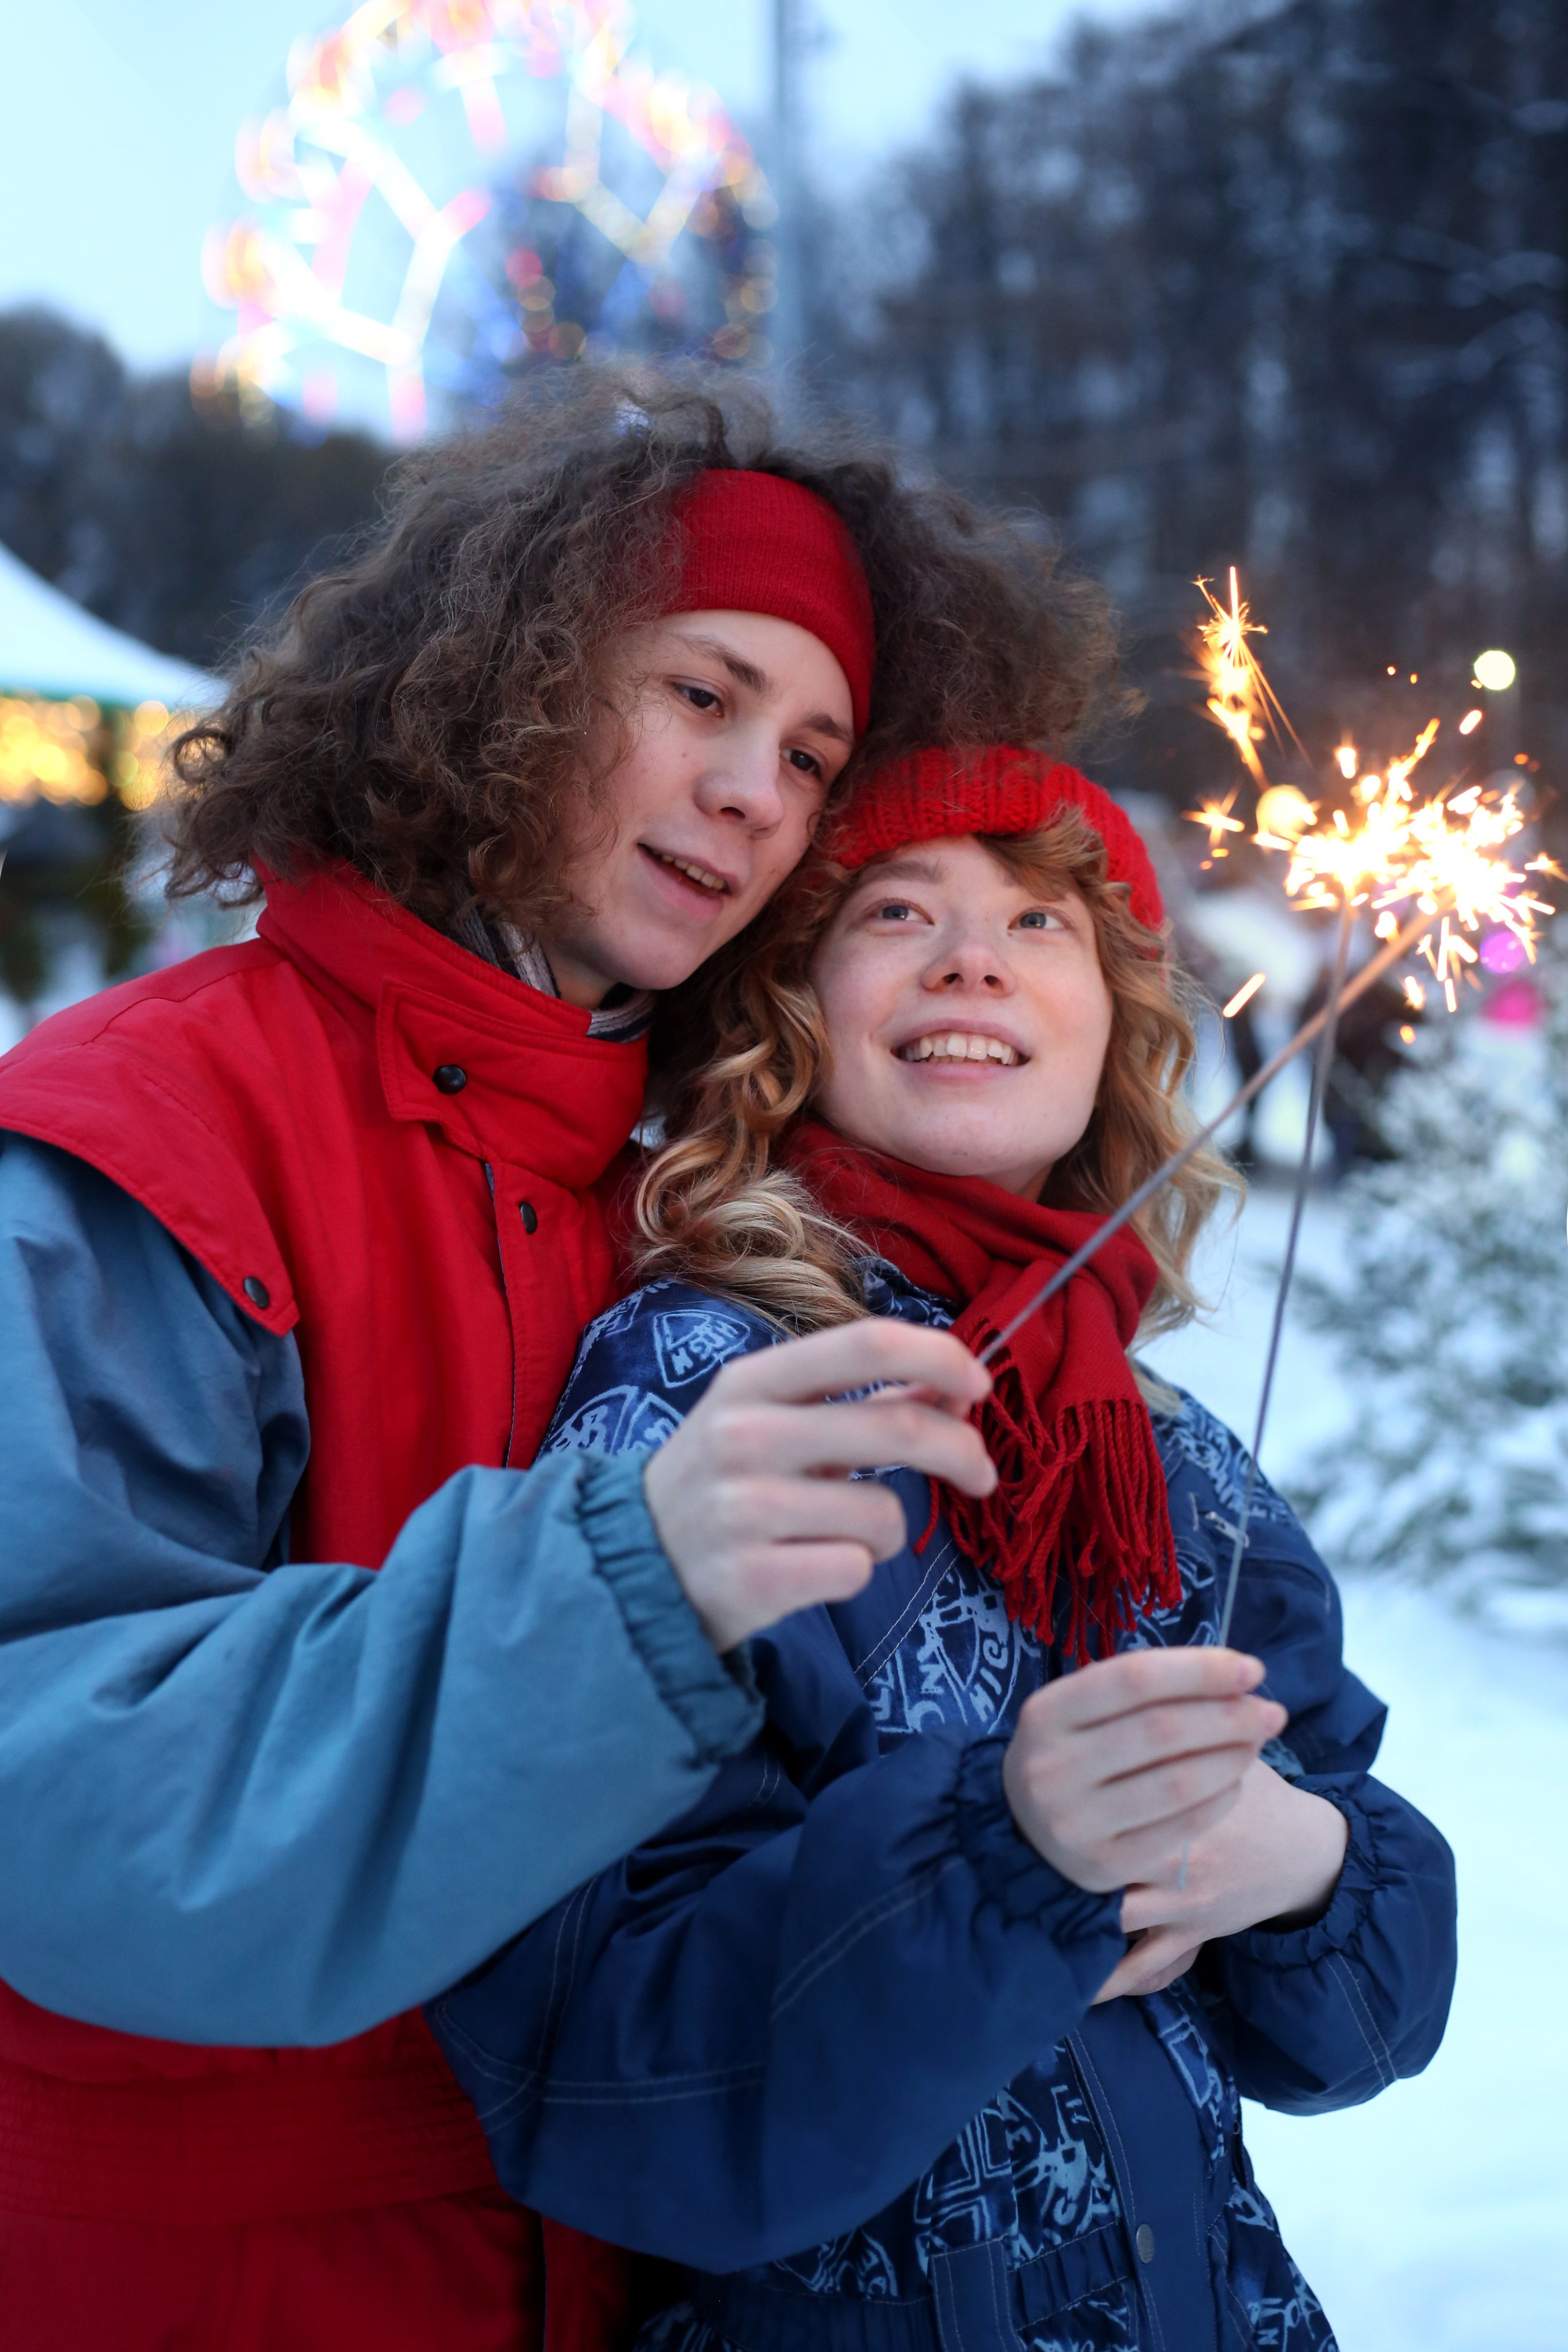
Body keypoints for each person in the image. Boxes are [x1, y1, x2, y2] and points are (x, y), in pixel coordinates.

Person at [0, 385, 1118, 2351]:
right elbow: (52, 1785)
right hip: (223, 2281)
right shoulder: (145, 1128)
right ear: (504, 684)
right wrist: (621, 1592)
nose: (757, 790)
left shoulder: (718, 1202)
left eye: (812, 754)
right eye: (702, 695)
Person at [431, 748, 1459, 2352]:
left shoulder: (1171, 1456)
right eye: (897, 911)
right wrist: (1004, 1847)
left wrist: (1304, 1864)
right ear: (790, 1005)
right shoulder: (709, 1396)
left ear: (1117, 1027)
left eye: (1040, 922)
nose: (973, 958)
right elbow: (605, 2072)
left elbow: (1371, 2022)